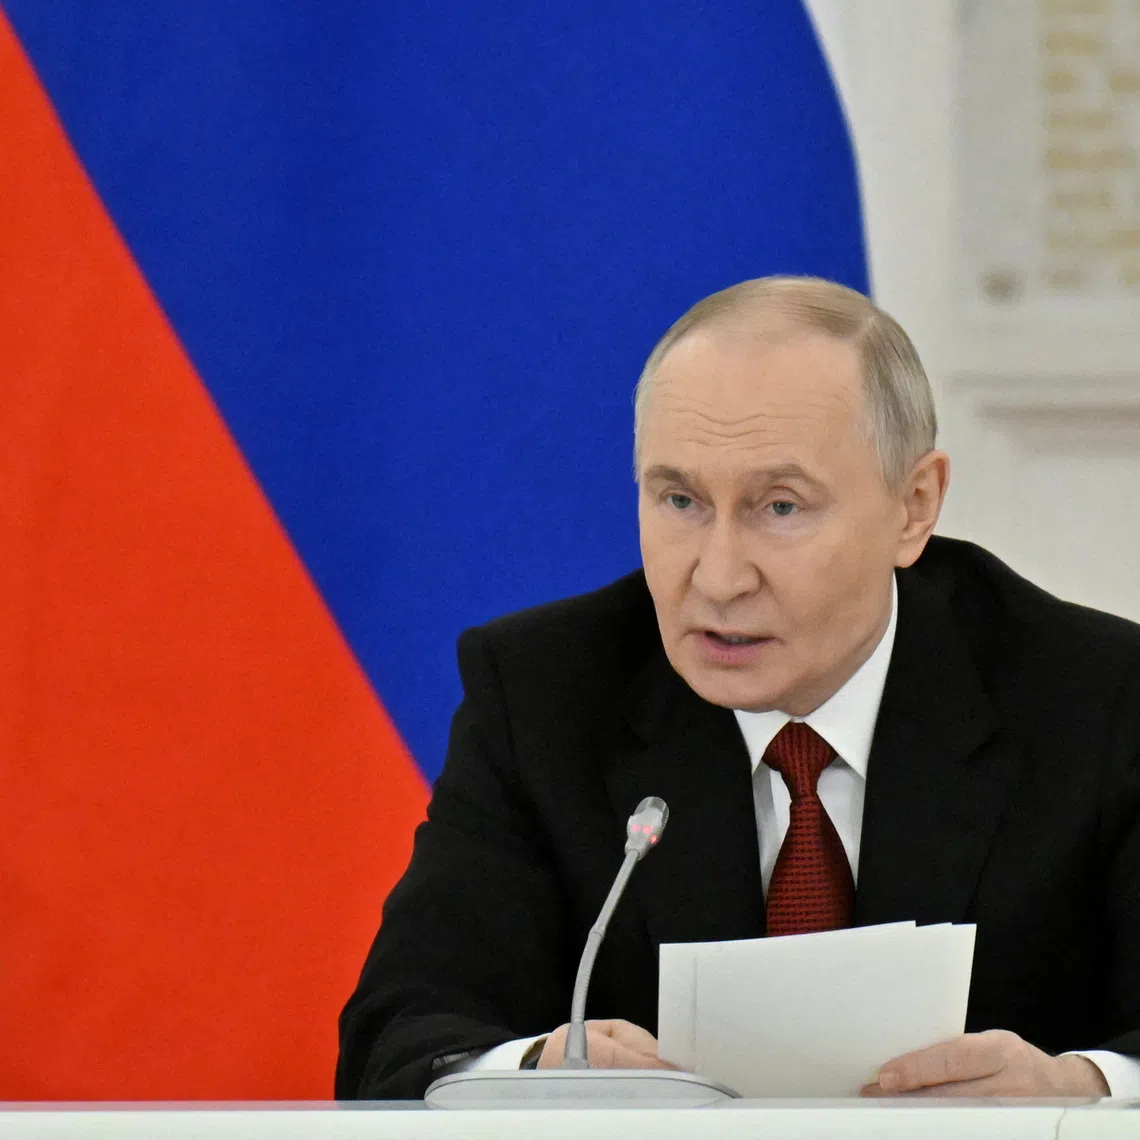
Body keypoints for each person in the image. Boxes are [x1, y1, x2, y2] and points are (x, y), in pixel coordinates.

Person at [336, 277, 1140, 1100]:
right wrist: (539, 1071)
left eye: (780, 507)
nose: (717, 578)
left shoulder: (1099, 699)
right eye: (679, 499)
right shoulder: (545, 695)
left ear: (913, 507)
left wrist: (1082, 1089)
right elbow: (399, 1039)